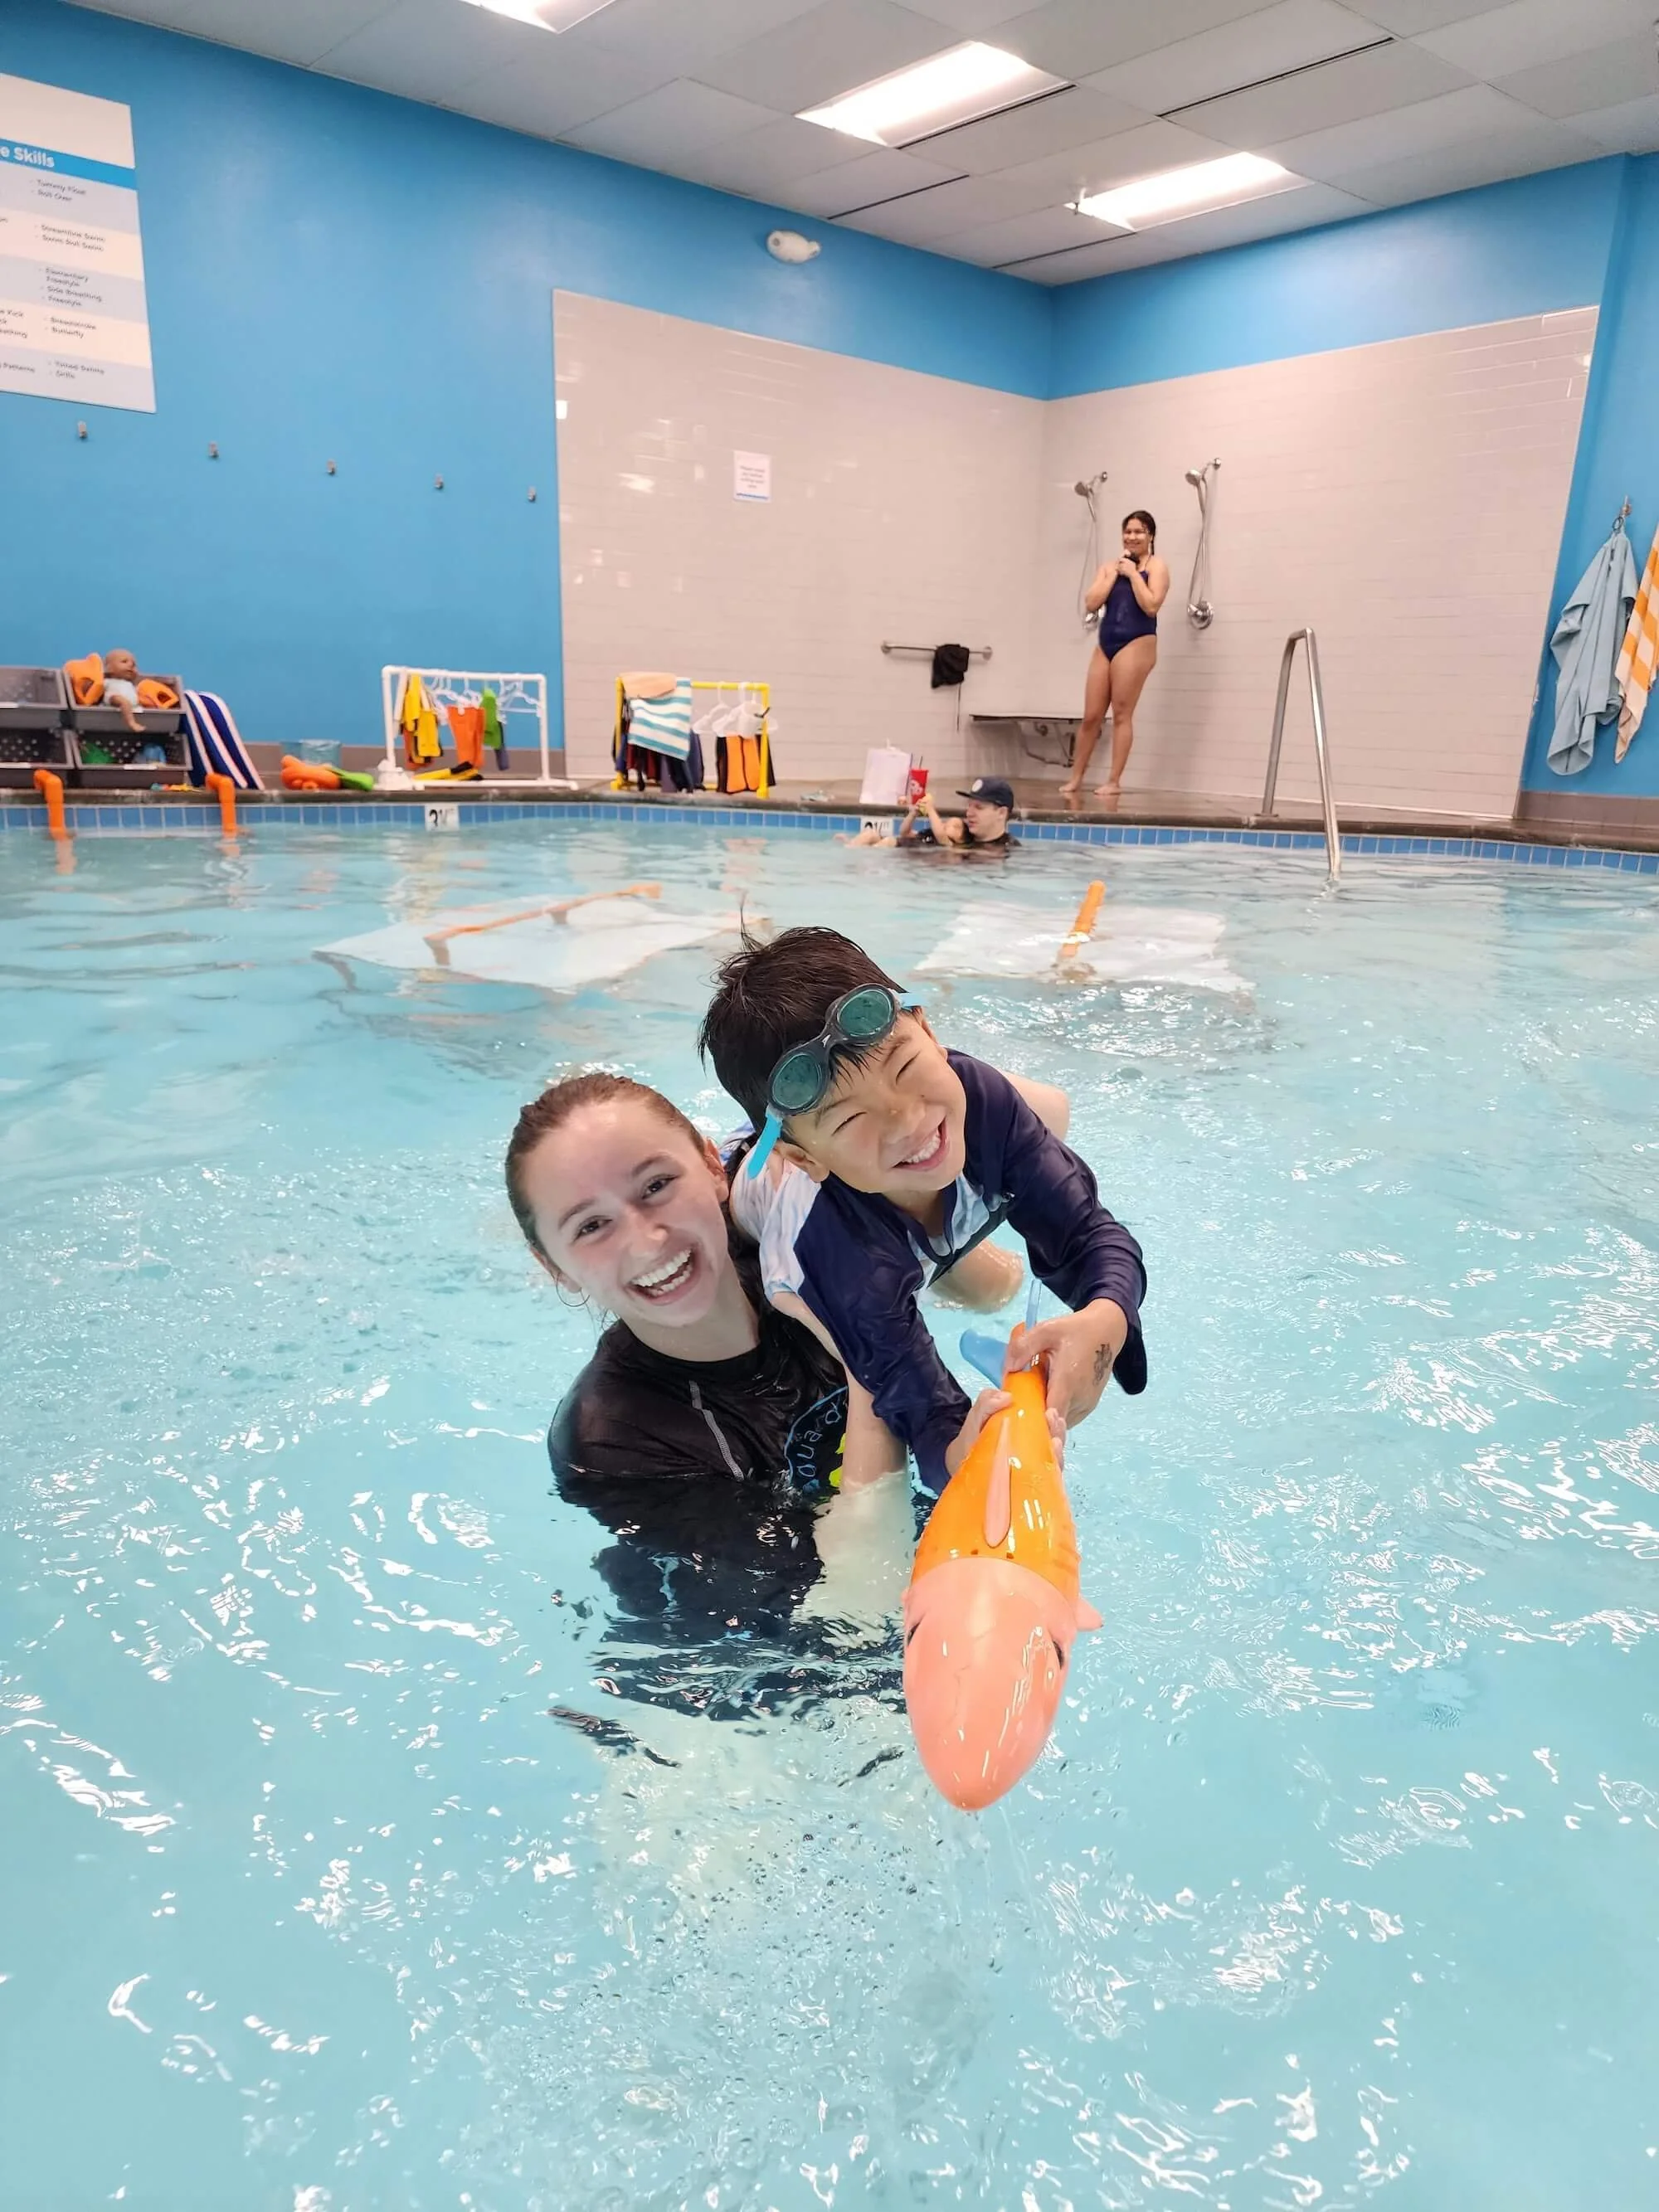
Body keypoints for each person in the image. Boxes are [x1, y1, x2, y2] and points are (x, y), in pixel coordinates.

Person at [698, 927, 1147, 1496]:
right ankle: (910, 1242)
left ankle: (924, 1231)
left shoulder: (974, 1093)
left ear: (931, 1032)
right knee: (866, 1377)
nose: (906, 1120)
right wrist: (964, 1450)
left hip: (880, 1187)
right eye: (850, 1119)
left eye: (908, 1066)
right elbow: (923, 1419)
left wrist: (1106, 1317)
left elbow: (1090, 1236)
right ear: (803, 1155)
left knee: (1044, 1124)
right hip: (782, 1228)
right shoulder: (831, 1250)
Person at [1060, 510, 1170, 802]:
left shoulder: (1157, 567)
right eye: (1128, 531)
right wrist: (1115, 574)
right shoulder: (1110, 567)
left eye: (1139, 532)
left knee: (1121, 713)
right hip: (1106, 642)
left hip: (1138, 641)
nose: (1133, 536)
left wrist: (1134, 574)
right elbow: (1091, 602)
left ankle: (1114, 780)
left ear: (1151, 536)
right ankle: (1076, 777)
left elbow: (1151, 606)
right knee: (1091, 716)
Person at [839, 775, 1020, 851]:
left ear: (1002, 813)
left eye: (979, 808)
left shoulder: (1006, 851)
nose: (969, 813)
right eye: (969, 806)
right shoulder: (964, 835)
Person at [99, 648, 146, 734]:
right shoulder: (109, 681)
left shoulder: (131, 684)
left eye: (134, 665)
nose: (131, 665)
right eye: (124, 662)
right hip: (114, 697)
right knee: (124, 703)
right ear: (109, 668)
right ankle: (131, 723)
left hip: (132, 705)